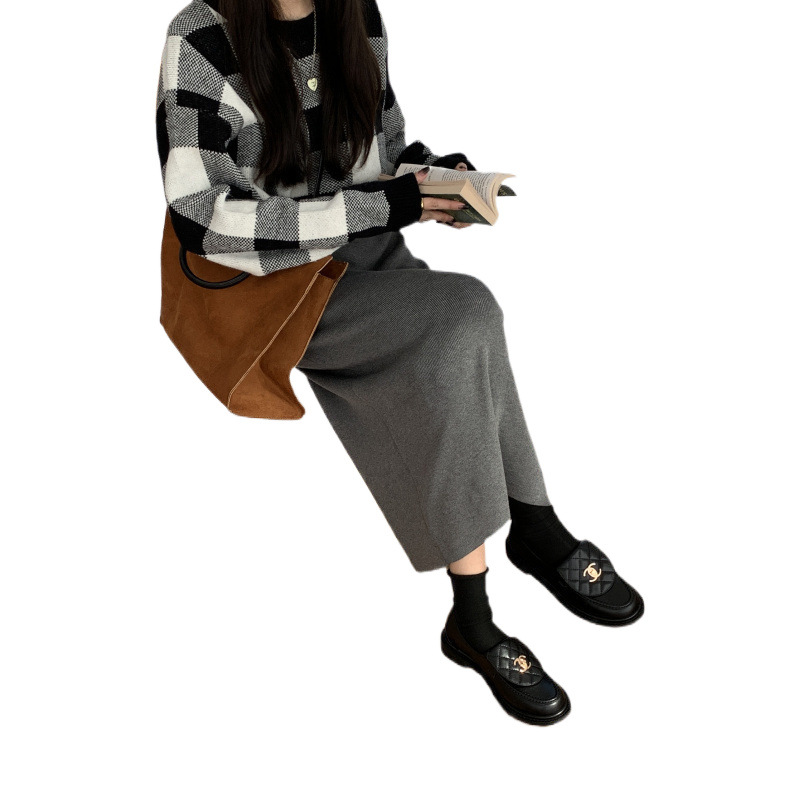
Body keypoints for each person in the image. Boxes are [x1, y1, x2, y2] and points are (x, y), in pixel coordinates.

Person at [156, 0, 645, 726]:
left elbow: (379, 155)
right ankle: (493, 591)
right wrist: (387, 207)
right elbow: (203, 219)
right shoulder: (200, 35)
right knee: (461, 316)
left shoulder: (356, 13)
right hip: (261, 288)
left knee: (465, 329)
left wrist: (435, 179)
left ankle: (512, 560)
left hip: (355, 249)